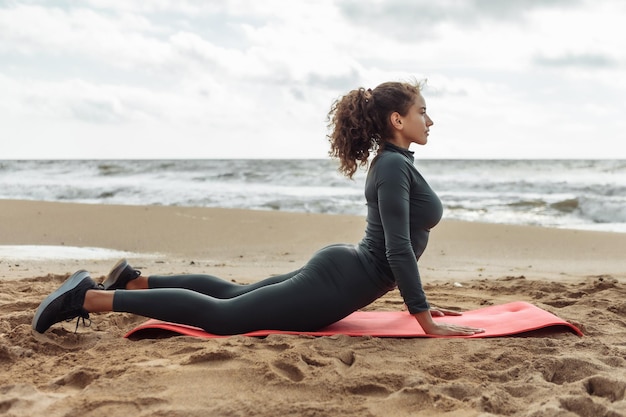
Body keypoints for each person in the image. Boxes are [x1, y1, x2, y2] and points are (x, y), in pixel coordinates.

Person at [32, 81, 485, 337]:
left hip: (344, 272)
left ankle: (133, 280)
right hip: (340, 280)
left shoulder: (396, 165)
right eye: (423, 111)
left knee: (230, 295)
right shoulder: (391, 166)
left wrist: (418, 310)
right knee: (225, 317)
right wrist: (424, 318)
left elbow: (396, 246)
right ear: (397, 120)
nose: (430, 120)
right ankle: (89, 297)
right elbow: (400, 250)